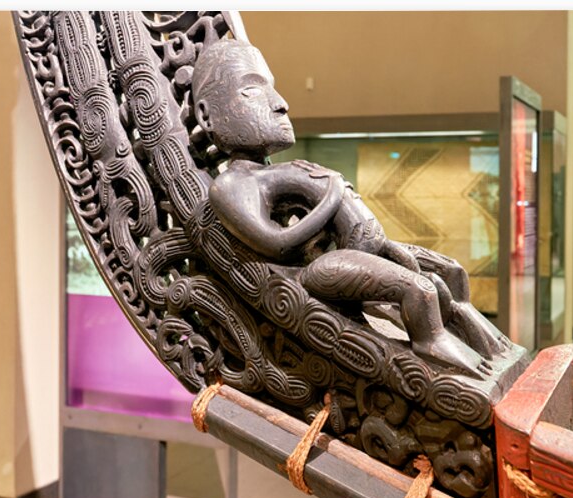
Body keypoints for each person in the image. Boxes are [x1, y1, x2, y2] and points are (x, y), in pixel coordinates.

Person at [192, 39, 505, 378]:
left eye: (274, 88)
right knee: (421, 289)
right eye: (252, 90)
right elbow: (277, 244)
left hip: (360, 248)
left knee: (449, 275)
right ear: (207, 116)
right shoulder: (232, 185)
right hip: (319, 270)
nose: (281, 104)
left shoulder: (274, 171)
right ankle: (433, 345)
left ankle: (493, 348)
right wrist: (330, 200)